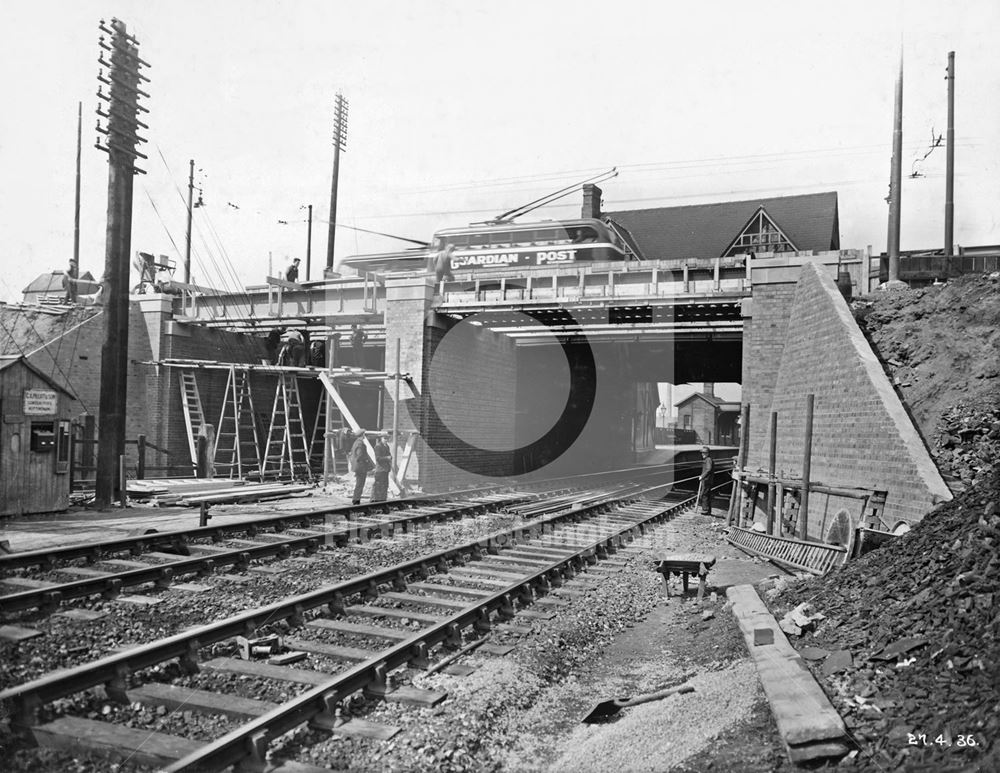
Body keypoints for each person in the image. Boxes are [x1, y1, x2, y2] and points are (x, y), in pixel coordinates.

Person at [349, 429, 373, 504]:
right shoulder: (360, 444)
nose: (364, 436)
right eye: (364, 435)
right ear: (362, 435)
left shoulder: (355, 443)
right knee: (360, 484)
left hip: (357, 466)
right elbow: (360, 455)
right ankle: (356, 500)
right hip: (360, 467)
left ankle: (356, 499)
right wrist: (366, 461)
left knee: (359, 483)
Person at [370, 433, 393, 502]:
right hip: (380, 469)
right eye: (384, 438)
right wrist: (387, 458)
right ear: (381, 438)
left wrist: (390, 457)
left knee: (384, 485)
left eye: (387, 439)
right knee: (378, 485)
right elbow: (378, 458)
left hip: (385, 469)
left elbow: (389, 455)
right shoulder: (378, 446)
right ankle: (374, 500)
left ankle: (382, 500)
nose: (386, 440)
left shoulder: (387, 446)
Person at [698, 445, 714, 515]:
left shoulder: (708, 460)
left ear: (707, 453)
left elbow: (708, 469)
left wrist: (702, 476)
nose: (702, 454)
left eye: (704, 453)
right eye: (702, 453)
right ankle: (707, 510)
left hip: (706, 480)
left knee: (704, 495)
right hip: (707, 480)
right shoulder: (707, 459)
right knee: (706, 494)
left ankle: (705, 510)